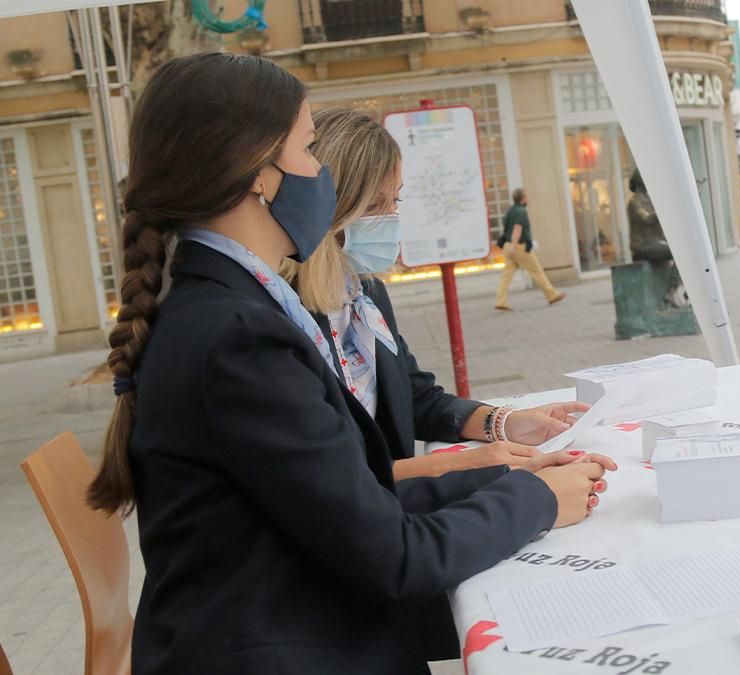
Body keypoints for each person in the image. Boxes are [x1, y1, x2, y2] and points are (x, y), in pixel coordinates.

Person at [87, 53, 611, 674]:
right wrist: (535, 500)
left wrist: (505, 478)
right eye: (309, 150)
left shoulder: (230, 309)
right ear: (257, 171)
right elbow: (394, 556)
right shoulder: (237, 336)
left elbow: (344, 502)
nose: (322, 177)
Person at [289, 108, 598, 484]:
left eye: (396, 201)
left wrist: (506, 422)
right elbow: (321, 477)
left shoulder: (365, 294)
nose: (390, 217)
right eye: (374, 205)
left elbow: (417, 397)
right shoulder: (282, 315)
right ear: (328, 205)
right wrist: (464, 464)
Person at [495, 188, 567, 311]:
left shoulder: (510, 211)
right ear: (522, 199)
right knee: (537, 271)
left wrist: (510, 247)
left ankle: (500, 301)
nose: (528, 199)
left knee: (506, 276)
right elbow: (517, 229)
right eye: (526, 197)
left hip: (507, 246)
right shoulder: (521, 212)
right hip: (518, 247)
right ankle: (552, 295)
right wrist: (514, 246)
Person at [627, 170, 687, 307]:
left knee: (683, 249)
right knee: (679, 252)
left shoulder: (651, 199)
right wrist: (664, 209)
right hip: (642, 247)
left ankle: (674, 288)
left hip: (654, 244)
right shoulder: (635, 202)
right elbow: (647, 218)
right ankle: (672, 291)